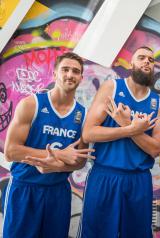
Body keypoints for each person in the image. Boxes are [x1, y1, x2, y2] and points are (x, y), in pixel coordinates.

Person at [77, 46, 160, 238]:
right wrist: (129, 129)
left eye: (151, 60)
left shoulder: (158, 102)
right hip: (104, 176)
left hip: (138, 180)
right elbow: (88, 133)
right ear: (132, 63)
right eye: (141, 57)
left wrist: (128, 125)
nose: (146, 62)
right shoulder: (112, 88)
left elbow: (156, 149)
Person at [3, 52, 94, 238]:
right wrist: (58, 154)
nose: (70, 74)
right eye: (65, 70)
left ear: (81, 78)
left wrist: (57, 166)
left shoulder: (83, 115)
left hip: (57, 192)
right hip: (25, 188)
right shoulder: (31, 104)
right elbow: (11, 152)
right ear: (54, 74)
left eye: (75, 71)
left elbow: (80, 161)